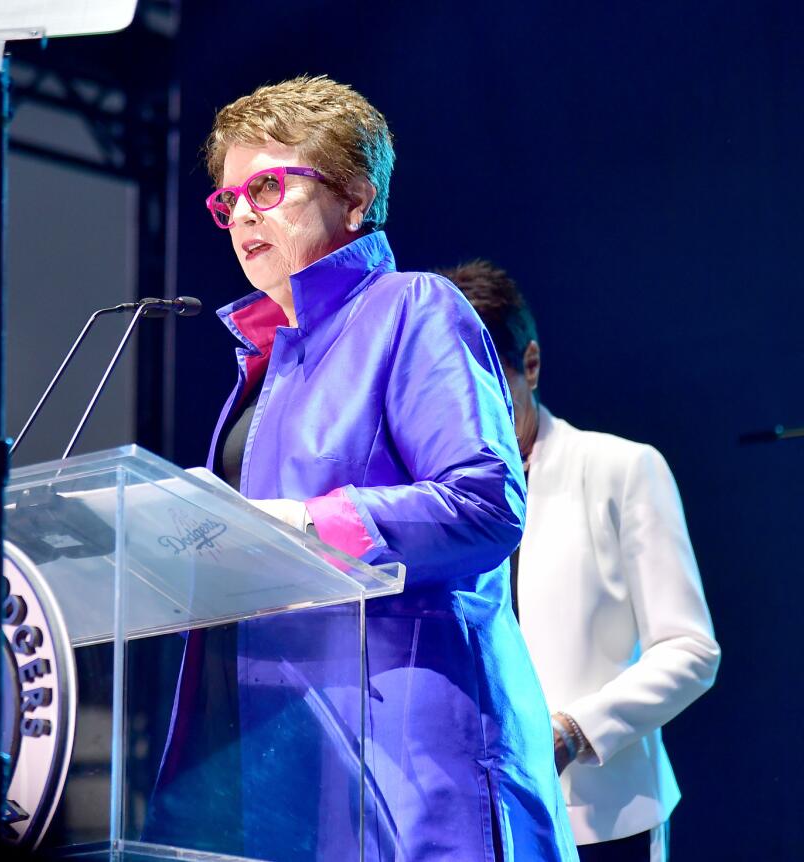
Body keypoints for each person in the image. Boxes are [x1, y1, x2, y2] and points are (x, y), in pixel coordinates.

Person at [190, 76, 575, 860]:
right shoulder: (264, 364)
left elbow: (486, 504)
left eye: (268, 186)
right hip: (290, 753)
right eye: (229, 200)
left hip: (411, 744)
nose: (243, 216)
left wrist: (301, 525)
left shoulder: (414, 307)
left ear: (356, 197)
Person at [441, 259, 721, 861]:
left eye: (488, 392)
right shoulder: (439, 499)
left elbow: (692, 651)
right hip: (469, 819)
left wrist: (575, 730)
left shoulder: (621, 469)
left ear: (531, 365)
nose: (471, 423)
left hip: (600, 821)